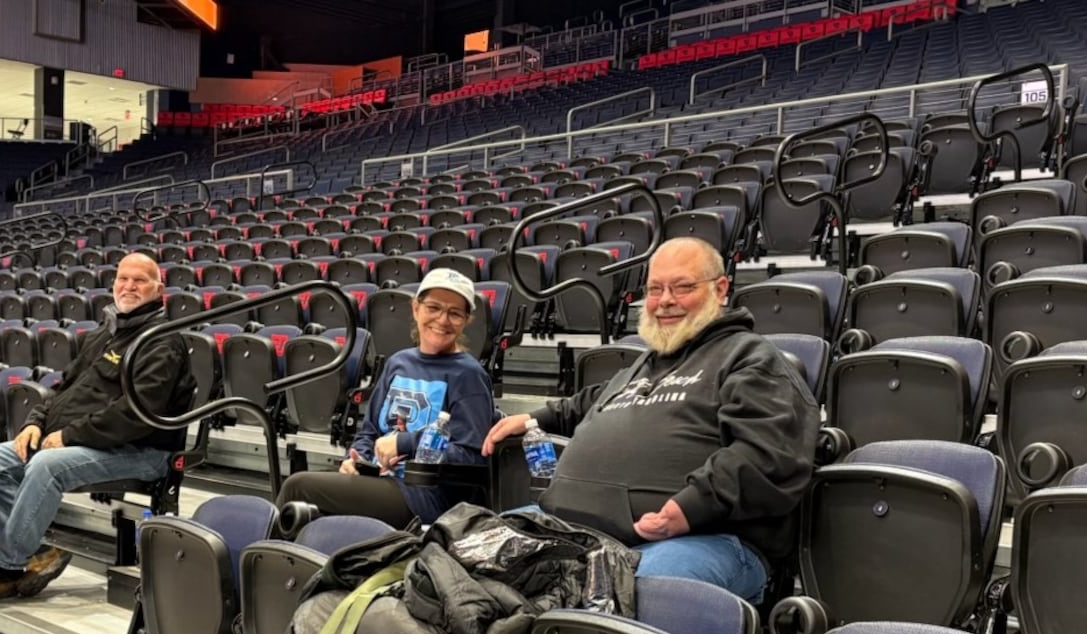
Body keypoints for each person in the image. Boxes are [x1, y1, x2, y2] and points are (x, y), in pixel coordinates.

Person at [482, 237, 818, 602]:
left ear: (721, 289)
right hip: (568, 527)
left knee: (625, 594)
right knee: (470, 554)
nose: (666, 300)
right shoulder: (645, 364)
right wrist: (532, 419)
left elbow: (770, 451)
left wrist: (689, 508)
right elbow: (589, 402)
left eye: (683, 286)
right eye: (655, 289)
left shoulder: (752, 357)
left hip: (697, 539)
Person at [0, 252, 196, 604]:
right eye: (123, 278)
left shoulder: (162, 342)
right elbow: (65, 389)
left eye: (140, 280)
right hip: (95, 443)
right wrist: (35, 423)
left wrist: (70, 436)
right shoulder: (106, 331)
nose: (129, 286)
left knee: (45, 466)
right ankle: (38, 551)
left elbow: (135, 415)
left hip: (143, 452)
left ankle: (9, 570)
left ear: (158, 289)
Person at [274, 268, 498, 528]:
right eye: (433, 307)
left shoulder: (468, 374)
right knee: (308, 512)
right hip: (380, 480)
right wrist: (353, 459)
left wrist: (406, 443)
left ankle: (261, 564)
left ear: (466, 320)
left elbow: (473, 457)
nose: (443, 319)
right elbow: (369, 432)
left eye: (454, 313)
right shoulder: (398, 362)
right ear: (416, 308)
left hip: (426, 497)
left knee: (298, 487)